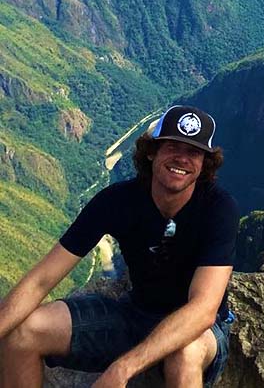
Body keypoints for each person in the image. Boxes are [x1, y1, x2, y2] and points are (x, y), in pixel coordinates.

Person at [0, 105, 239, 388]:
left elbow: (203, 309)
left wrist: (123, 368)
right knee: (22, 333)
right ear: (152, 152)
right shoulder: (117, 201)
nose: (182, 159)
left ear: (205, 164)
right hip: (135, 314)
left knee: (184, 354)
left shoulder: (218, 209)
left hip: (200, 332)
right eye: (173, 146)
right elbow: (41, 281)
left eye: (194, 152)